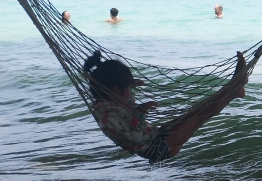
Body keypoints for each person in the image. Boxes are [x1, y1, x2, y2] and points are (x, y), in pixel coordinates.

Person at [83, 51, 249, 162]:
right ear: (115, 90)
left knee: (197, 111)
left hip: (157, 137)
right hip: (159, 148)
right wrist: (139, 112)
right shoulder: (108, 118)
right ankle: (236, 84)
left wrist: (130, 85)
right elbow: (134, 136)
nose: (130, 92)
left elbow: (119, 102)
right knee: (202, 114)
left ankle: (235, 89)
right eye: (127, 88)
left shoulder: (106, 102)